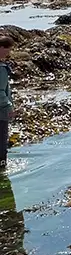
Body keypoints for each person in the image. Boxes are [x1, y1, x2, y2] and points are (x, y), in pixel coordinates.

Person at [0, 36, 14, 171]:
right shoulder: (1, 69)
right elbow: (0, 92)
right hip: (1, 113)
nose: (9, 53)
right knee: (1, 145)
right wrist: (9, 106)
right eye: (8, 49)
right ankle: (2, 170)